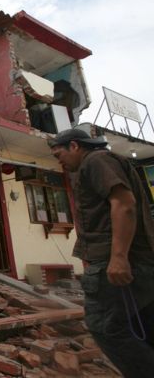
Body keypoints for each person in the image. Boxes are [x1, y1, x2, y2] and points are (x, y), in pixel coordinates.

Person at [49, 128, 154, 377]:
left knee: (105, 327)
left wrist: (118, 258)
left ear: (74, 146)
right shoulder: (103, 162)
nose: (59, 161)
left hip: (119, 263)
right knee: (143, 324)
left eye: (59, 154)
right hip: (137, 263)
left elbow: (124, 204)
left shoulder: (96, 161)